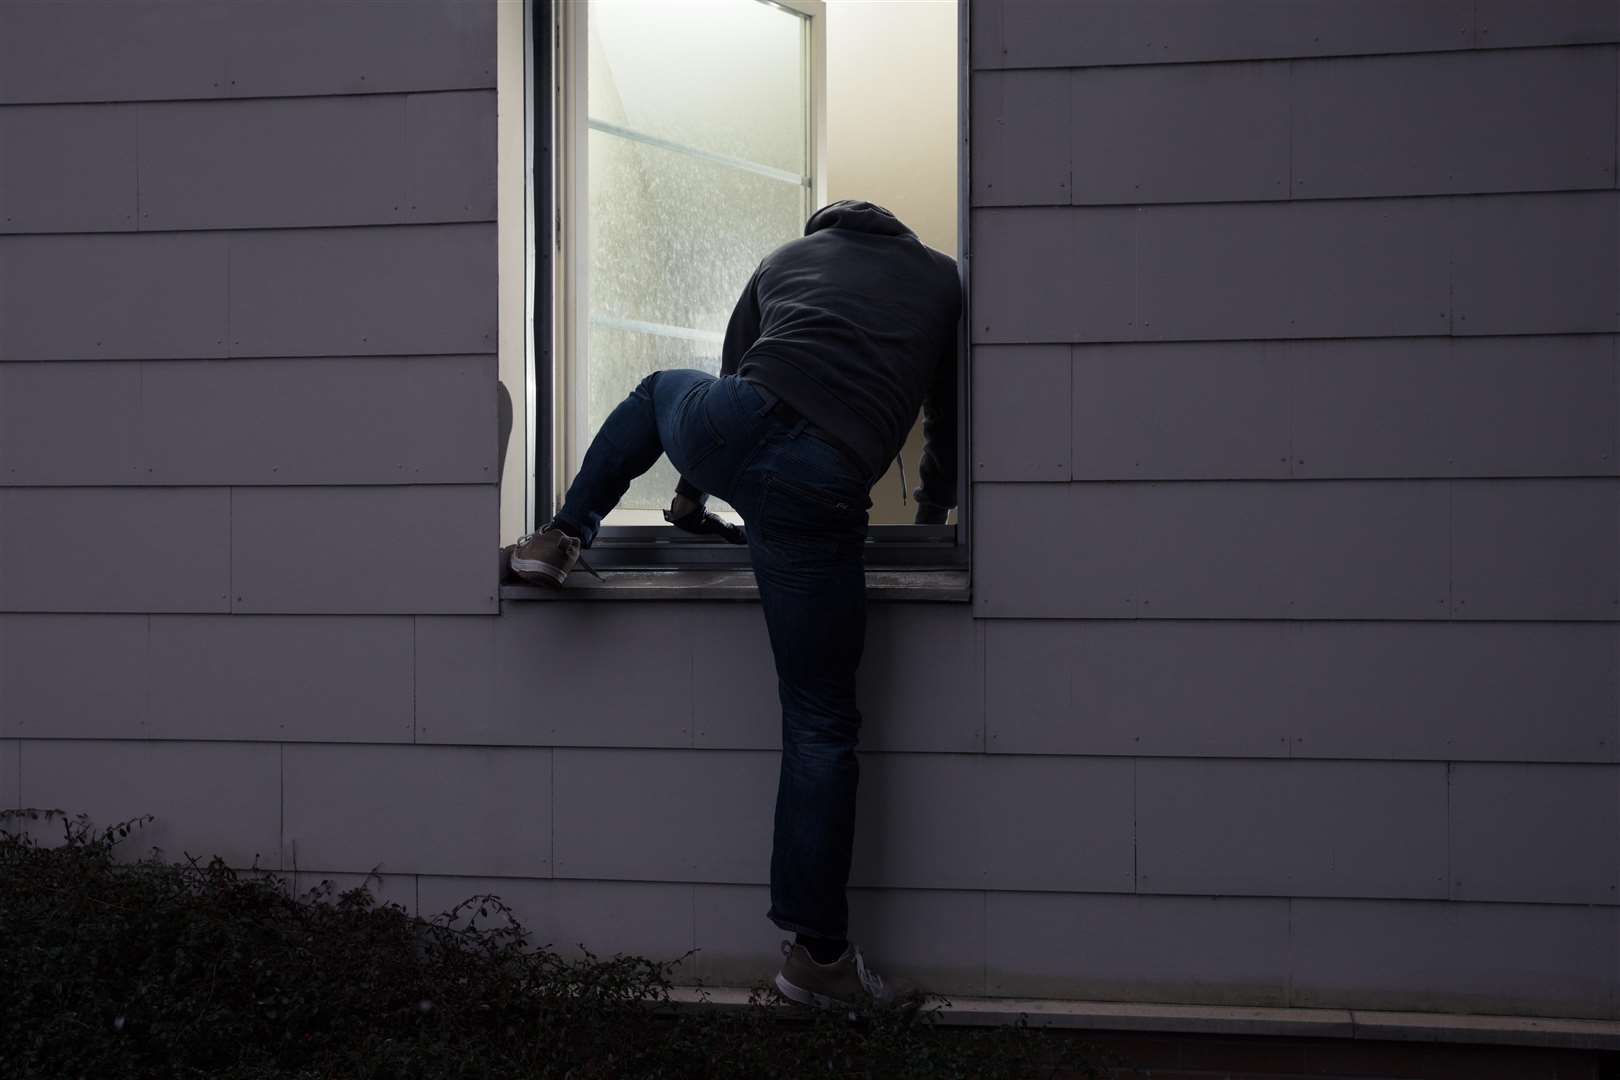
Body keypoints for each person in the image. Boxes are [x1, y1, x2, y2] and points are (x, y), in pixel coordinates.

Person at [507, 199, 961, 1011]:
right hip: (823, 481)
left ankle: (561, 535)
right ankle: (817, 959)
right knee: (821, 722)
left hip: (735, 424)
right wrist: (933, 521)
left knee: (657, 390)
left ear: (828, 229)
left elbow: (732, 373)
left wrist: (689, 494)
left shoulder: (786, 257)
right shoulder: (943, 282)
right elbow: (949, 423)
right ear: (895, 234)